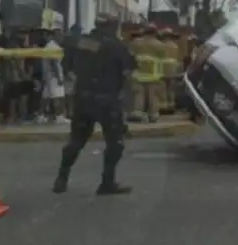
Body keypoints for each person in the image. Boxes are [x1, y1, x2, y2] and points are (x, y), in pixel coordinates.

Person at [52, 14, 136, 195]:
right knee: (115, 143)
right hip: (108, 101)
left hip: (84, 98)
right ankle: (107, 182)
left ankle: (61, 178)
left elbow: (67, 66)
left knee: (76, 141)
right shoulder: (118, 47)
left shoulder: (81, 43)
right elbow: (128, 74)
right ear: (113, 25)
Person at [128, 24, 165, 122]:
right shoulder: (160, 45)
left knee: (138, 93)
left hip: (138, 72)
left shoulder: (135, 42)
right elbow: (162, 60)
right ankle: (153, 115)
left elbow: (130, 56)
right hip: (154, 74)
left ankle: (138, 113)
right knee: (153, 95)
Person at [40, 28, 69, 124]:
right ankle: (59, 116)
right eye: (59, 35)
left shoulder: (49, 45)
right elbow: (54, 63)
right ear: (54, 36)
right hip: (54, 76)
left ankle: (42, 116)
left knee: (47, 96)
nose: (62, 37)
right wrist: (59, 77)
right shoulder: (53, 47)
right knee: (58, 96)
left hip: (48, 75)